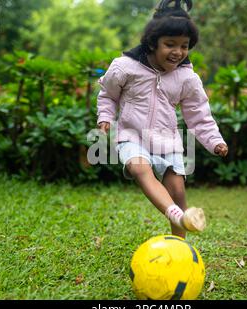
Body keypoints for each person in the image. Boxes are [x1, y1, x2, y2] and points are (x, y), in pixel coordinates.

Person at [96, 0, 228, 239]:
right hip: (131, 136)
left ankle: (179, 244)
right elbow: (108, 93)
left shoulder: (187, 78)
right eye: (170, 44)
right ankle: (177, 215)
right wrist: (105, 116)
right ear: (152, 42)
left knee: (177, 189)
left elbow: (199, 114)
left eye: (184, 46)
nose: (178, 52)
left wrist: (214, 140)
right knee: (140, 169)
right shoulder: (125, 67)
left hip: (167, 141)